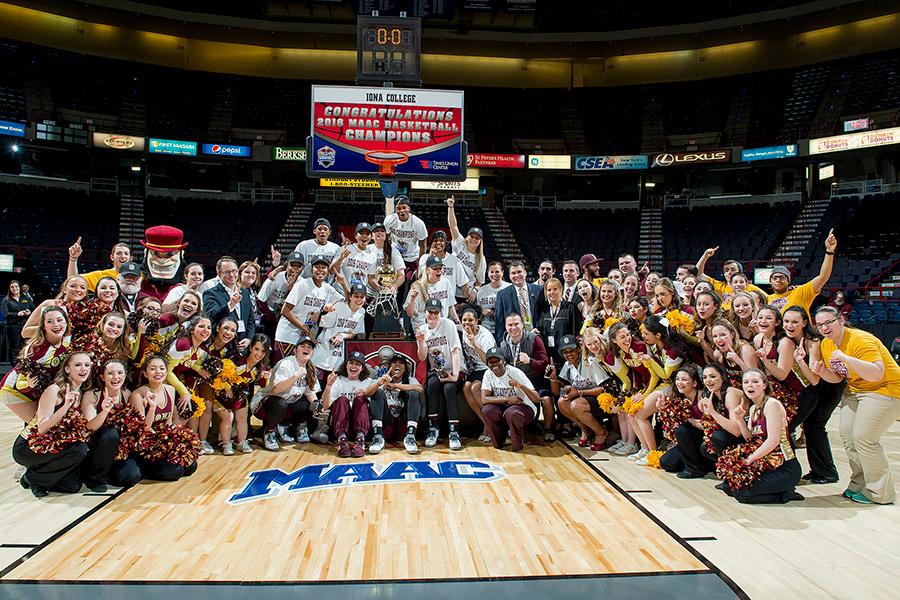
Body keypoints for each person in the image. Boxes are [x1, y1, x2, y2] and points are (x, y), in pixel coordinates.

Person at [813, 305, 900, 504]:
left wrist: (847, 359)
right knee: (847, 434)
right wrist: (822, 372)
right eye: (820, 325)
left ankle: (881, 493)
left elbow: (876, 373)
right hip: (856, 391)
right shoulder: (827, 344)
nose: (824, 328)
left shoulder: (861, 340)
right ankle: (860, 483)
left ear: (841, 320)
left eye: (829, 322)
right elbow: (837, 377)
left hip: (885, 388)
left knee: (864, 437)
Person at [14, 351, 92, 497]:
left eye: (87, 365)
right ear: (67, 369)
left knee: (73, 486)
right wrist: (64, 407)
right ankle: (34, 479)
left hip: (54, 447)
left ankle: (33, 477)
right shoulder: (54, 390)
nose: (83, 369)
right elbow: (42, 428)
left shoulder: (81, 392)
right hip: (28, 447)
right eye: (78, 365)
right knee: (79, 449)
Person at [722, 369, 803, 504]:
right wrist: (740, 420)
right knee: (729, 486)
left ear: (764, 385)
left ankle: (785, 494)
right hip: (766, 464)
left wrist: (750, 459)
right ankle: (779, 489)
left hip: (785, 467)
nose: (750, 385)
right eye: (746, 382)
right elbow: (750, 439)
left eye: (755, 382)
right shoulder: (754, 408)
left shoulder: (771, 405)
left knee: (742, 495)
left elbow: (773, 440)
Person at [783, 305, 840, 484]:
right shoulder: (788, 339)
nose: (789, 325)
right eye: (786, 321)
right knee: (811, 428)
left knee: (814, 427)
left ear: (804, 323)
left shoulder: (813, 341)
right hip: (812, 389)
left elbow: (814, 379)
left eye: (794, 322)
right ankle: (821, 471)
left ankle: (824, 472)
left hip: (827, 388)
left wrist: (800, 361)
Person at [130, 356, 199, 481]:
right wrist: (152, 408)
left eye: (162, 368)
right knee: (175, 472)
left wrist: (176, 442)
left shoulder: (170, 390)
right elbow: (142, 431)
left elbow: (168, 422)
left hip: (162, 442)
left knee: (191, 466)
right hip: (146, 445)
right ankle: (144, 468)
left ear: (166, 372)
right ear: (145, 373)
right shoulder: (138, 395)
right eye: (153, 369)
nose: (158, 372)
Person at [80, 358, 141, 490]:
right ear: (102, 377)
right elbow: (90, 427)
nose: (116, 377)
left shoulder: (127, 394)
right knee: (111, 434)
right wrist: (104, 411)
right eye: (110, 373)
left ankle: (107, 472)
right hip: (95, 449)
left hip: (117, 452)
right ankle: (95, 477)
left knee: (132, 477)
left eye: (120, 373)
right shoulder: (92, 395)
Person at [1, 306, 70, 422]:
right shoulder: (37, 350)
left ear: (67, 322)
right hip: (13, 389)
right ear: (43, 326)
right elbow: (20, 382)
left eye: (59, 320)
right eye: (49, 321)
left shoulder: (67, 339)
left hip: (38, 391)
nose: (56, 325)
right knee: (39, 426)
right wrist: (29, 384)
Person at [253, 335, 319, 451]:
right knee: (280, 403)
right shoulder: (286, 364)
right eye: (302, 346)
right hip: (263, 404)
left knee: (308, 403)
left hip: (286, 404)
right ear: (295, 350)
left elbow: (310, 393)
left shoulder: (310, 368)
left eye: (309, 347)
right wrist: (296, 376)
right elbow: (276, 389)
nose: (306, 349)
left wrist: (317, 405)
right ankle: (269, 432)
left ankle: (291, 426)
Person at [274, 254, 343, 361]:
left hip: (304, 338)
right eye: (317, 267)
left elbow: (346, 301)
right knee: (282, 370)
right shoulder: (302, 285)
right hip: (288, 335)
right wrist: (307, 330)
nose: (320, 270)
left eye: (323, 267)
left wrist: (343, 284)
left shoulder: (327, 288)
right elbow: (285, 311)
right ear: (311, 270)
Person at [416, 298, 463, 450]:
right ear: (426, 312)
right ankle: (433, 428)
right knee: (432, 385)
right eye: (430, 312)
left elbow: (456, 349)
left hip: (453, 368)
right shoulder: (422, 329)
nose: (433, 315)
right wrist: (422, 342)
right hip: (436, 371)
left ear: (440, 313)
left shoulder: (448, 324)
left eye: (436, 312)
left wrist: (455, 374)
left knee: (450, 388)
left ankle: (454, 431)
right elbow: (422, 357)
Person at [550, 333, 609, 450]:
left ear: (579, 349)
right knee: (562, 402)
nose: (569, 355)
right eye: (565, 352)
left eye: (571, 350)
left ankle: (601, 432)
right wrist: (553, 378)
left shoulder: (590, 362)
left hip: (602, 401)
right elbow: (556, 392)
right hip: (584, 401)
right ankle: (586, 429)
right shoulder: (568, 365)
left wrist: (579, 393)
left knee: (576, 405)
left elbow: (604, 388)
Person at [322, 351, 381, 458]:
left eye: (358, 364)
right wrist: (328, 386)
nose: (354, 366)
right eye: (351, 363)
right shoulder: (338, 381)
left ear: (362, 368)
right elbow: (326, 406)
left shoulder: (368, 382)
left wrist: (365, 393)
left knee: (360, 399)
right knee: (342, 400)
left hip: (362, 427)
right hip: (341, 426)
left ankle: (360, 441)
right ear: (346, 365)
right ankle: (342, 441)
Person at [481, 347, 541, 452]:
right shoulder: (488, 374)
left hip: (525, 408)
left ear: (504, 361)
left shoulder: (515, 373)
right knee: (487, 410)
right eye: (491, 362)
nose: (495, 364)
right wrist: (507, 399)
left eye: (497, 360)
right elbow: (484, 399)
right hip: (505, 407)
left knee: (512, 413)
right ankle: (500, 440)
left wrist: (520, 386)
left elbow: (536, 399)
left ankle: (518, 444)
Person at [767, 229, 837, 313]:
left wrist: (829, 251)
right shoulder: (765, 299)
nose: (778, 280)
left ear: (788, 280)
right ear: (770, 281)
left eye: (782, 277)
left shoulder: (801, 292)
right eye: (775, 278)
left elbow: (823, 277)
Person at [658, 366, 711, 478]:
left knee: (682, 429)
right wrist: (663, 410)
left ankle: (695, 469)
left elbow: (710, 426)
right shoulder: (678, 398)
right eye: (677, 379)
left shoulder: (703, 397)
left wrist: (690, 420)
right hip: (688, 441)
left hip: (704, 439)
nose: (679, 382)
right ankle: (701, 464)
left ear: (695, 383)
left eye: (684, 379)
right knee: (666, 462)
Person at [368, 354, 423, 454]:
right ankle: (378, 436)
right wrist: (379, 384)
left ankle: (410, 436)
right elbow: (367, 393)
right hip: (387, 424)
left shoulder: (410, 380)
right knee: (377, 392)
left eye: (401, 363)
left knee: (414, 392)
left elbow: (420, 389)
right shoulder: (382, 379)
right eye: (394, 363)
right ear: (389, 367)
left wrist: (396, 385)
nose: (397, 365)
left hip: (403, 423)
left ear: (405, 368)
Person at [459, 305, 496, 443]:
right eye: (464, 320)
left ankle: (492, 423)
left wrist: (474, 343)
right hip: (474, 369)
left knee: (475, 388)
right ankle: (487, 423)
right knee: (466, 387)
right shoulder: (462, 330)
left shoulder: (485, 336)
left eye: (470, 320)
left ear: (477, 321)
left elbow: (489, 361)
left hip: (489, 368)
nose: (467, 323)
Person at [203, 257, 255, 353]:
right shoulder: (210, 293)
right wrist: (230, 304)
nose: (232, 275)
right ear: (219, 274)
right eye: (227, 272)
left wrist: (248, 338)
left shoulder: (244, 292)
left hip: (243, 345)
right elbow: (213, 314)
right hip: (222, 346)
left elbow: (250, 319)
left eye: (234, 271)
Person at [21, 275, 88, 338]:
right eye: (73, 286)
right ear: (64, 289)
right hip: (47, 349)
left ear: (85, 293)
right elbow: (25, 333)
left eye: (82, 287)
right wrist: (50, 328)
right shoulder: (49, 304)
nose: (78, 290)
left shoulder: (85, 313)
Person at [535, 277, 581, 367]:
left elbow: (576, 331)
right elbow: (540, 327)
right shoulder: (545, 310)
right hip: (549, 353)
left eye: (555, 289)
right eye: (549, 290)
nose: (552, 292)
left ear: (561, 290)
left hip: (567, 353)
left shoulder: (570, 308)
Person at [447, 196, 486, 302]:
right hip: (450, 288)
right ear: (467, 237)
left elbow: (479, 281)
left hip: (466, 294)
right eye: (472, 236)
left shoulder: (481, 259)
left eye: (477, 238)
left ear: (480, 241)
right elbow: (453, 226)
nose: (474, 239)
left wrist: (475, 290)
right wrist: (451, 207)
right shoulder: (460, 243)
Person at [493, 261, 543, 344]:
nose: (517, 275)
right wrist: (501, 343)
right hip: (514, 340)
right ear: (509, 276)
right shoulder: (502, 295)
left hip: (537, 336)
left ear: (525, 273)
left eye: (519, 272)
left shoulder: (539, 290)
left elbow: (544, 315)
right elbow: (499, 322)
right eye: (513, 273)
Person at [404, 256, 458, 332]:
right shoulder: (417, 286)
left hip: (441, 326)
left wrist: (457, 321)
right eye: (435, 269)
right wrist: (412, 300)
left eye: (440, 268)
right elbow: (409, 313)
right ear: (427, 270)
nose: (438, 271)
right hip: (423, 327)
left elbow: (450, 305)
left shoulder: (445, 282)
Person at [383, 195, 428, 284]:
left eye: (404, 207)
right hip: (396, 255)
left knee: (411, 284)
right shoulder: (389, 220)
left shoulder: (418, 223)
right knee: (394, 283)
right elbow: (386, 240)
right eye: (399, 208)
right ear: (395, 210)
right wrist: (387, 259)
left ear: (409, 208)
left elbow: (423, 244)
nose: (402, 211)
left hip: (412, 257)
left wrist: (420, 264)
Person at [258, 252, 303, 337]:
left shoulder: (302, 283)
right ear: (287, 265)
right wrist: (272, 316)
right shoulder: (275, 277)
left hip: (289, 319)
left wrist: (291, 288)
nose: (295, 269)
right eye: (292, 265)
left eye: (298, 266)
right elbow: (260, 300)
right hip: (269, 317)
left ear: (302, 269)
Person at [417, 230, 469, 303]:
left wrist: (465, 302)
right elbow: (420, 278)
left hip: (448, 302)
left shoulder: (454, 260)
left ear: (445, 244)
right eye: (435, 240)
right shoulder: (424, 258)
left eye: (441, 240)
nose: (438, 243)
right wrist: (430, 258)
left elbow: (463, 284)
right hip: (428, 300)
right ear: (431, 243)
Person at [66, 238, 133, 292]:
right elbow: (72, 280)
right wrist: (73, 259)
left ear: (130, 258)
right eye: (119, 253)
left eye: (126, 253)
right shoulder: (100, 276)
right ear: (112, 257)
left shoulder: (138, 276)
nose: (123, 256)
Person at [332, 222, 378, 290]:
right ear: (356, 235)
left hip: (358, 296)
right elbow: (332, 271)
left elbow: (371, 279)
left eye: (367, 234)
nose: (364, 236)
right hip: (340, 293)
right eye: (361, 233)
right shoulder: (346, 249)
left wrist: (381, 289)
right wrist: (341, 258)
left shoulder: (372, 254)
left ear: (371, 237)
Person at [475, 260, 511, 336]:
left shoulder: (510, 288)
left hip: (506, 330)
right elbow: (478, 312)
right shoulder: (481, 291)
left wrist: (494, 312)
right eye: (491, 272)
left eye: (497, 271)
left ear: (502, 272)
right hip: (486, 330)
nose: (494, 274)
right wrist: (481, 311)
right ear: (487, 273)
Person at [2, 280, 32, 362]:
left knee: (26, 346)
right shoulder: (7, 300)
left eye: (16, 286)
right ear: (9, 289)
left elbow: (33, 310)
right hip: (13, 327)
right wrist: (17, 314)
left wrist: (29, 312)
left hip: (25, 326)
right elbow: (5, 314)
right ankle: (15, 366)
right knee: (14, 348)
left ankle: (25, 365)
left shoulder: (26, 298)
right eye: (12, 287)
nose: (14, 288)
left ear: (19, 287)